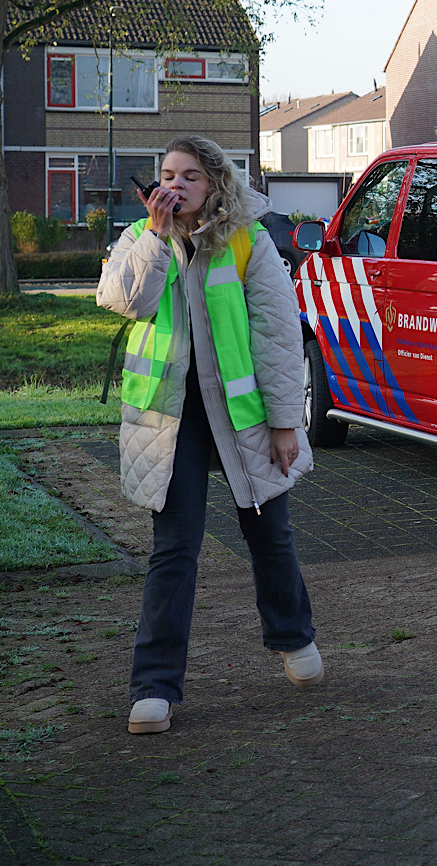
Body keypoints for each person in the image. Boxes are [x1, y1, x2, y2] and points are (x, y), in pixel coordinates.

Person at [98, 136, 320, 736]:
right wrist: (152, 236)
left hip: (244, 417)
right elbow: (123, 300)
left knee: (270, 533)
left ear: (216, 185)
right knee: (174, 549)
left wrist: (284, 423)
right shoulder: (140, 239)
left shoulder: (250, 241)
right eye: (167, 173)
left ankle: (293, 636)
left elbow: (278, 337)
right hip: (170, 420)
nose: (175, 185)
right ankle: (154, 687)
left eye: (190, 176)